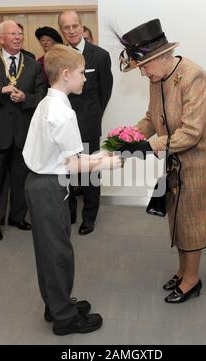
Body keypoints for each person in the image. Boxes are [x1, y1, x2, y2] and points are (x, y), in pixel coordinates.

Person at [115, 19, 206, 303]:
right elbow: (151, 118)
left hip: (201, 160)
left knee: (192, 221)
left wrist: (146, 146)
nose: (143, 73)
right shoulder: (159, 78)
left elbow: (191, 133)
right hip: (175, 157)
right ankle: (183, 272)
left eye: (144, 67)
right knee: (179, 217)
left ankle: (192, 280)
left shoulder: (194, 77)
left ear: (162, 56)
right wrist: (127, 137)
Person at [23, 44, 121, 335]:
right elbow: (73, 164)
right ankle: (64, 318)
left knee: (51, 250)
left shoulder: (49, 102)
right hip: (49, 187)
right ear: (66, 75)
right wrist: (108, 164)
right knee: (58, 254)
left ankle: (56, 304)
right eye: (81, 73)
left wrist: (100, 156)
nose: (86, 79)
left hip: (42, 182)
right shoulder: (63, 114)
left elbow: (66, 159)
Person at [0, 20, 46, 242]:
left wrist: (26, 98)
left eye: (20, 34)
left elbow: (42, 95)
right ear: (1, 38)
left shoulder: (32, 64)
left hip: (23, 131)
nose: (17, 37)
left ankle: (17, 217)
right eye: (12, 33)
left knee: (21, 179)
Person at [58, 10, 113, 235]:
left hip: (89, 124)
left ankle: (89, 217)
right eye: (66, 28)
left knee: (90, 173)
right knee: (66, 172)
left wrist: (93, 115)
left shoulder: (99, 55)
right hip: (63, 125)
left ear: (81, 27)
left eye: (75, 26)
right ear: (62, 30)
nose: (71, 31)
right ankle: (69, 212)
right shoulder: (57, 55)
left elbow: (105, 92)